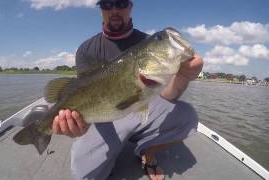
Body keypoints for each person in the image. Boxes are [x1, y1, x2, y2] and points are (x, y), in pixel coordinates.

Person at [52, 0, 203, 179]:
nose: (114, 10)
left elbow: (167, 96)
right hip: (102, 118)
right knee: (84, 176)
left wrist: (183, 76)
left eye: (121, 3)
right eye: (107, 5)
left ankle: (147, 153)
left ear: (130, 6)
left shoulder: (146, 41)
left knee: (187, 117)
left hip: (139, 105)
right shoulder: (86, 50)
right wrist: (79, 127)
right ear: (100, 10)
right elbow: (82, 94)